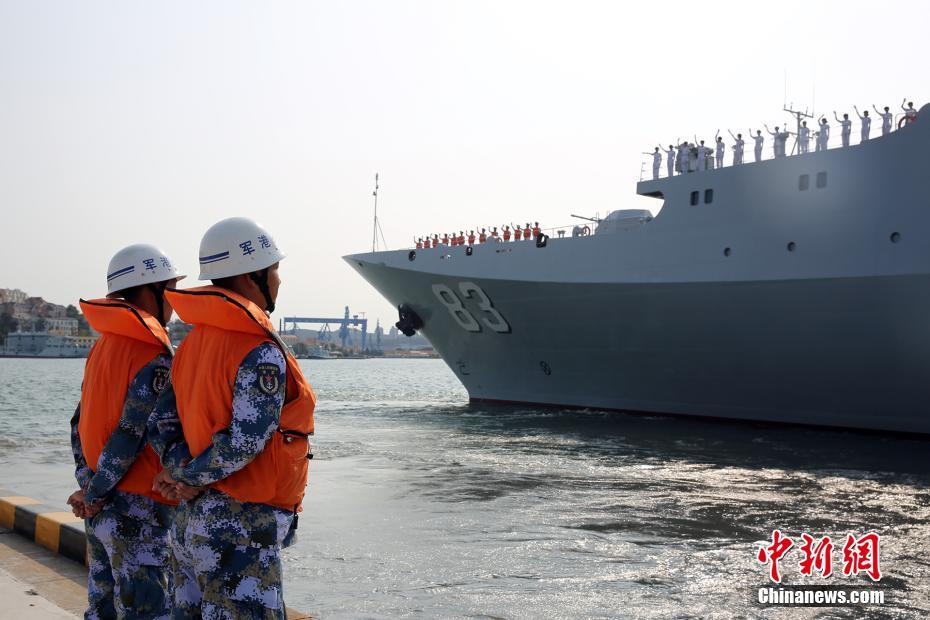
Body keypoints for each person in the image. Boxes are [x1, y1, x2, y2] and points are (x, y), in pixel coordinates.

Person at [148, 217, 316, 618]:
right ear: (252, 275)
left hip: (191, 525)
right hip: (239, 527)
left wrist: (178, 474)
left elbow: (161, 425)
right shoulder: (258, 351)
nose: (279, 280)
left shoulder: (191, 345)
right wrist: (184, 478)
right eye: (274, 269)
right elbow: (244, 442)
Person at [68, 243, 184, 619]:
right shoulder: (152, 351)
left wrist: (89, 486)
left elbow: (79, 423)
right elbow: (129, 433)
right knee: (145, 610)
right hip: (137, 508)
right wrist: (97, 492)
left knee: (102, 607)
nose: (174, 301)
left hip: (101, 508)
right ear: (152, 291)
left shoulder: (103, 345)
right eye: (169, 289)